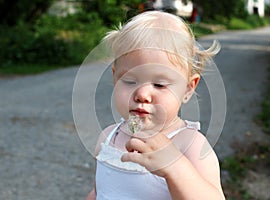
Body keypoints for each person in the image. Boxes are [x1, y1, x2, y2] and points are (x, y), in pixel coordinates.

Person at [86, 11, 225, 200]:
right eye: (129, 80)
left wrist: (174, 168)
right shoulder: (108, 137)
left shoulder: (190, 145)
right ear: (115, 76)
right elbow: (98, 192)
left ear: (187, 89)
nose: (142, 95)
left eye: (159, 85)